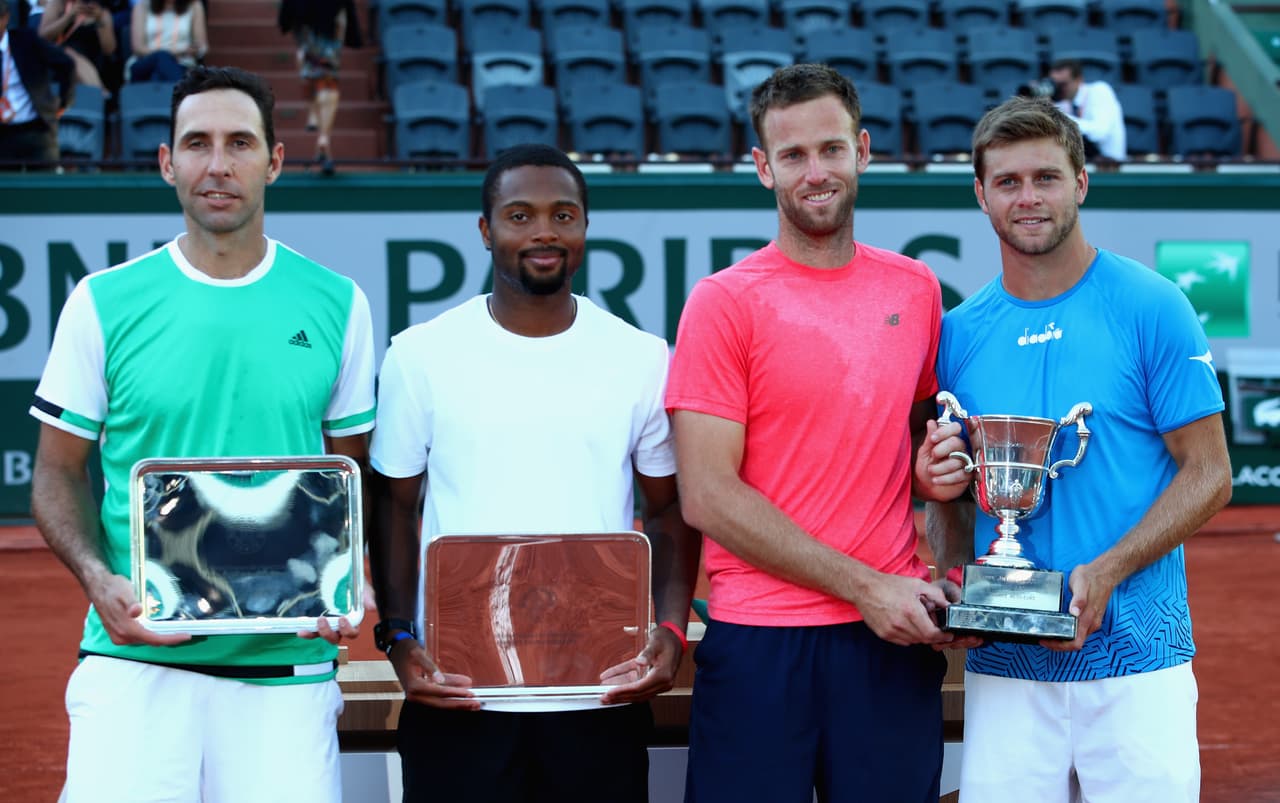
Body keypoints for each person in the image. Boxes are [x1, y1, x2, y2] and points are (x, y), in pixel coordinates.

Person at [29, 65, 376, 803]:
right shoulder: (101, 302)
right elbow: (56, 471)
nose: (218, 164)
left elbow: (352, 476)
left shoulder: (339, 303)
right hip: (135, 663)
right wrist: (98, 580)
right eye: (197, 143)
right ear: (167, 162)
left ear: (274, 162)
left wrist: (349, 574)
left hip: (285, 671)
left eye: (240, 143)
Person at [664, 62, 970, 803]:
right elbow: (707, 495)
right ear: (763, 168)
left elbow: (931, 453)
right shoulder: (722, 302)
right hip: (761, 642)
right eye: (793, 155)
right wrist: (867, 587)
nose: (816, 172)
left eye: (831, 149)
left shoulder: (915, 288)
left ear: (862, 151)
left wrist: (953, 557)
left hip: (889, 642)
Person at [367, 142, 702, 803]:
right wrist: (400, 638)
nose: (544, 231)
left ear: (585, 227)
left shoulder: (639, 357)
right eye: (520, 216)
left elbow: (667, 508)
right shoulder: (420, 355)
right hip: (462, 693)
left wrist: (669, 628)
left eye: (563, 215)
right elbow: (394, 507)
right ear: (486, 229)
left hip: (598, 692)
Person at [922, 95, 1233, 803]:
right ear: (981, 195)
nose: (1028, 197)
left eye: (1046, 177)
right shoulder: (958, 333)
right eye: (1007, 181)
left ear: (1082, 183)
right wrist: (952, 565)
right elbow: (952, 499)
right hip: (1007, 668)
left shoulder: (1153, 305)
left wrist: (1108, 570)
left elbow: (1211, 474)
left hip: (1138, 657)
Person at [277, 0, 361, 174]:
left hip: (302, 13)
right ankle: (323, 137)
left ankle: (313, 113)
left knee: (308, 64)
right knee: (327, 76)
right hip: (331, 13)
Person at [0, 0, 75, 166]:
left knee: (45, 180)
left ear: (5, 18)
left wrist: (64, 102)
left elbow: (66, 64)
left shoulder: (25, 40)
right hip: (2, 135)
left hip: (36, 130)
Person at [1049, 58, 1125, 162]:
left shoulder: (1099, 90)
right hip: (1083, 164)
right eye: (1055, 84)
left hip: (1111, 165)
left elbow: (1099, 132)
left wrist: (1056, 115)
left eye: (1063, 85)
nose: (1059, 89)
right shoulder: (1063, 103)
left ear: (1078, 79)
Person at [38, 0, 117, 90]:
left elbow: (109, 50)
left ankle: (98, 93)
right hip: (61, 59)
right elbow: (42, 36)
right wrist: (69, 17)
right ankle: (101, 93)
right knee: (69, 54)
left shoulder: (102, 13)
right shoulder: (59, 3)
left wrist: (99, 20)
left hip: (94, 61)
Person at [126, 0, 206, 83]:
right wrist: (179, 52)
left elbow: (201, 46)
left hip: (181, 64)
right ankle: (180, 88)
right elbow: (138, 48)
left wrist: (195, 49)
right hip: (146, 62)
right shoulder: (142, 6)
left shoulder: (194, 5)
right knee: (161, 57)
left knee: (157, 76)